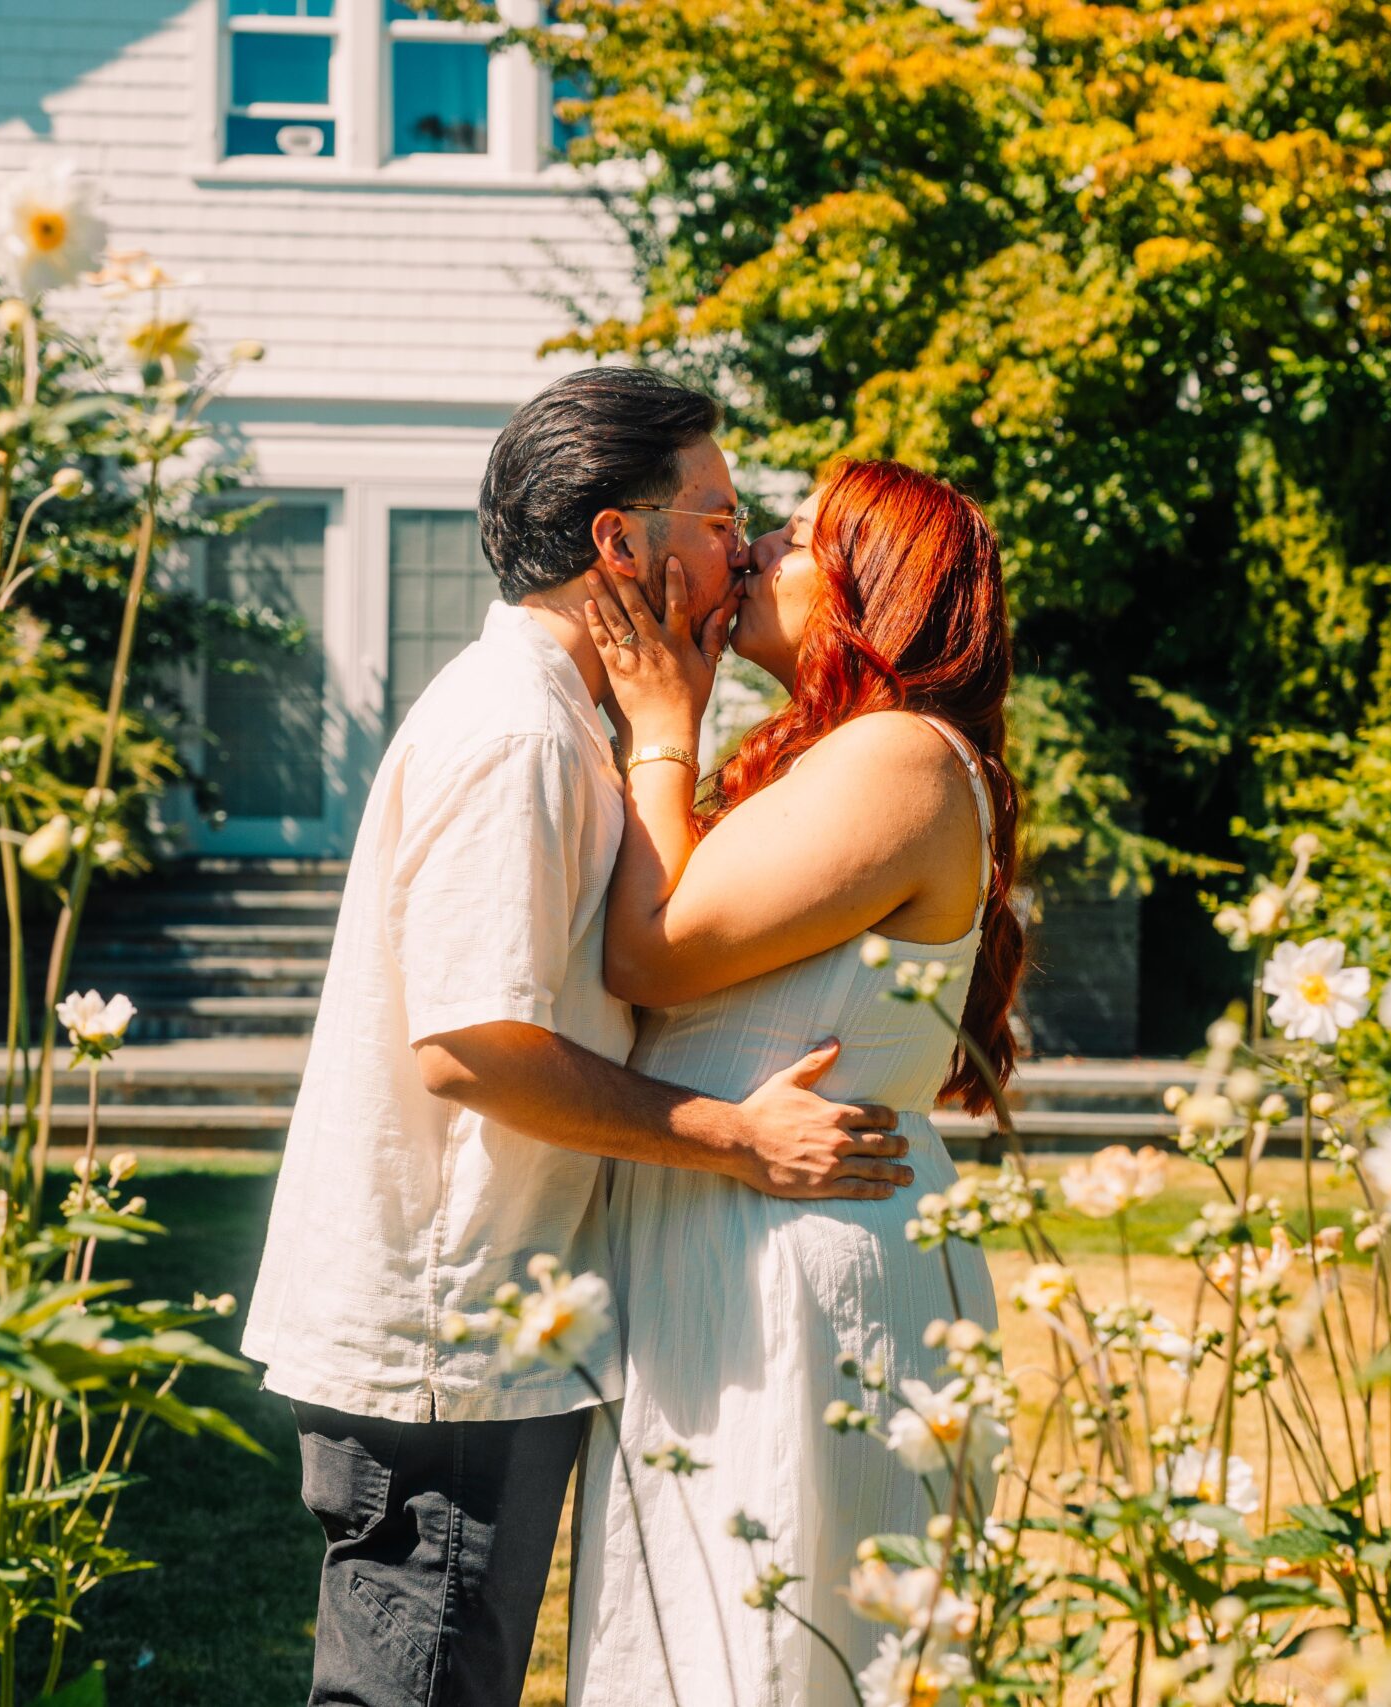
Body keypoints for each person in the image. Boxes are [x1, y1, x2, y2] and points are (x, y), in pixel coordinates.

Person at [241, 370, 920, 1707]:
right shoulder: (522, 736)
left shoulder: (564, 719)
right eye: (721, 515)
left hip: (493, 1317)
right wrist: (735, 1137)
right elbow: (473, 1044)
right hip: (449, 1332)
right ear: (622, 540)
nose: (744, 547)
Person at [564, 459, 1023, 1705]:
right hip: (733, 1233)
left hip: (801, 1265)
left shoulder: (902, 761)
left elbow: (649, 950)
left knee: (779, 1652)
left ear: (880, 588)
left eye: (800, 534)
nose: (757, 546)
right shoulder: (840, 757)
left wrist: (664, 731)